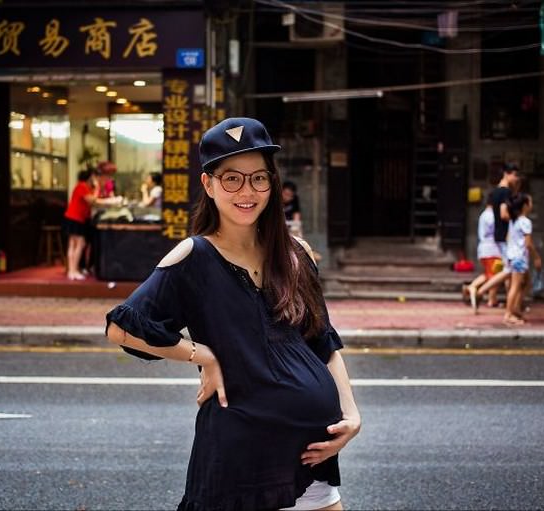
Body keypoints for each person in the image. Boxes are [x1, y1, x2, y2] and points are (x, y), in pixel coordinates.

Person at [105, 117, 361, 511]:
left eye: (259, 178)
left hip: (310, 456)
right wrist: (201, 354)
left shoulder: (296, 254)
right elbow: (122, 327)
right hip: (240, 458)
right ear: (208, 184)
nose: (248, 191)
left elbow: (323, 342)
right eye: (232, 179)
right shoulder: (195, 256)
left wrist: (351, 414)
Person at [469, 163, 521, 312]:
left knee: (508, 272)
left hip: (498, 239)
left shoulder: (496, 193)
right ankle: (481, 291)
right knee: (509, 271)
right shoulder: (505, 194)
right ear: (507, 174)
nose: (516, 179)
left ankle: (512, 307)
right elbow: (505, 214)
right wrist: (518, 218)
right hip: (505, 238)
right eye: (515, 175)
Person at [504, 193, 542, 325]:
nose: (532, 205)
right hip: (519, 258)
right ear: (525, 206)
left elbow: (508, 238)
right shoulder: (525, 222)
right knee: (515, 286)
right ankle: (508, 314)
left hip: (512, 256)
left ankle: (515, 309)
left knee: (526, 283)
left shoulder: (514, 220)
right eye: (530, 202)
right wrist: (536, 257)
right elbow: (528, 243)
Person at [62, 168, 106, 281]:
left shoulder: (83, 187)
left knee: (73, 244)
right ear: (90, 177)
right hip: (75, 218)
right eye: (94, 177)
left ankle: (72, 271)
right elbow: (92, 200)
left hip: (72, 217)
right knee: (80, 243)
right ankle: (73, 270)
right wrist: (97, 187)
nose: (95, 179)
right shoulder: (82, 186)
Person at [463, 193, 503, 310]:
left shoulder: (484, 215)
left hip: (485, 248)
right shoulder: (491, 216)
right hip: (491, 248)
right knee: (494, 275)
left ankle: (490, 297)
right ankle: (475, 288)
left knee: (491, 274)